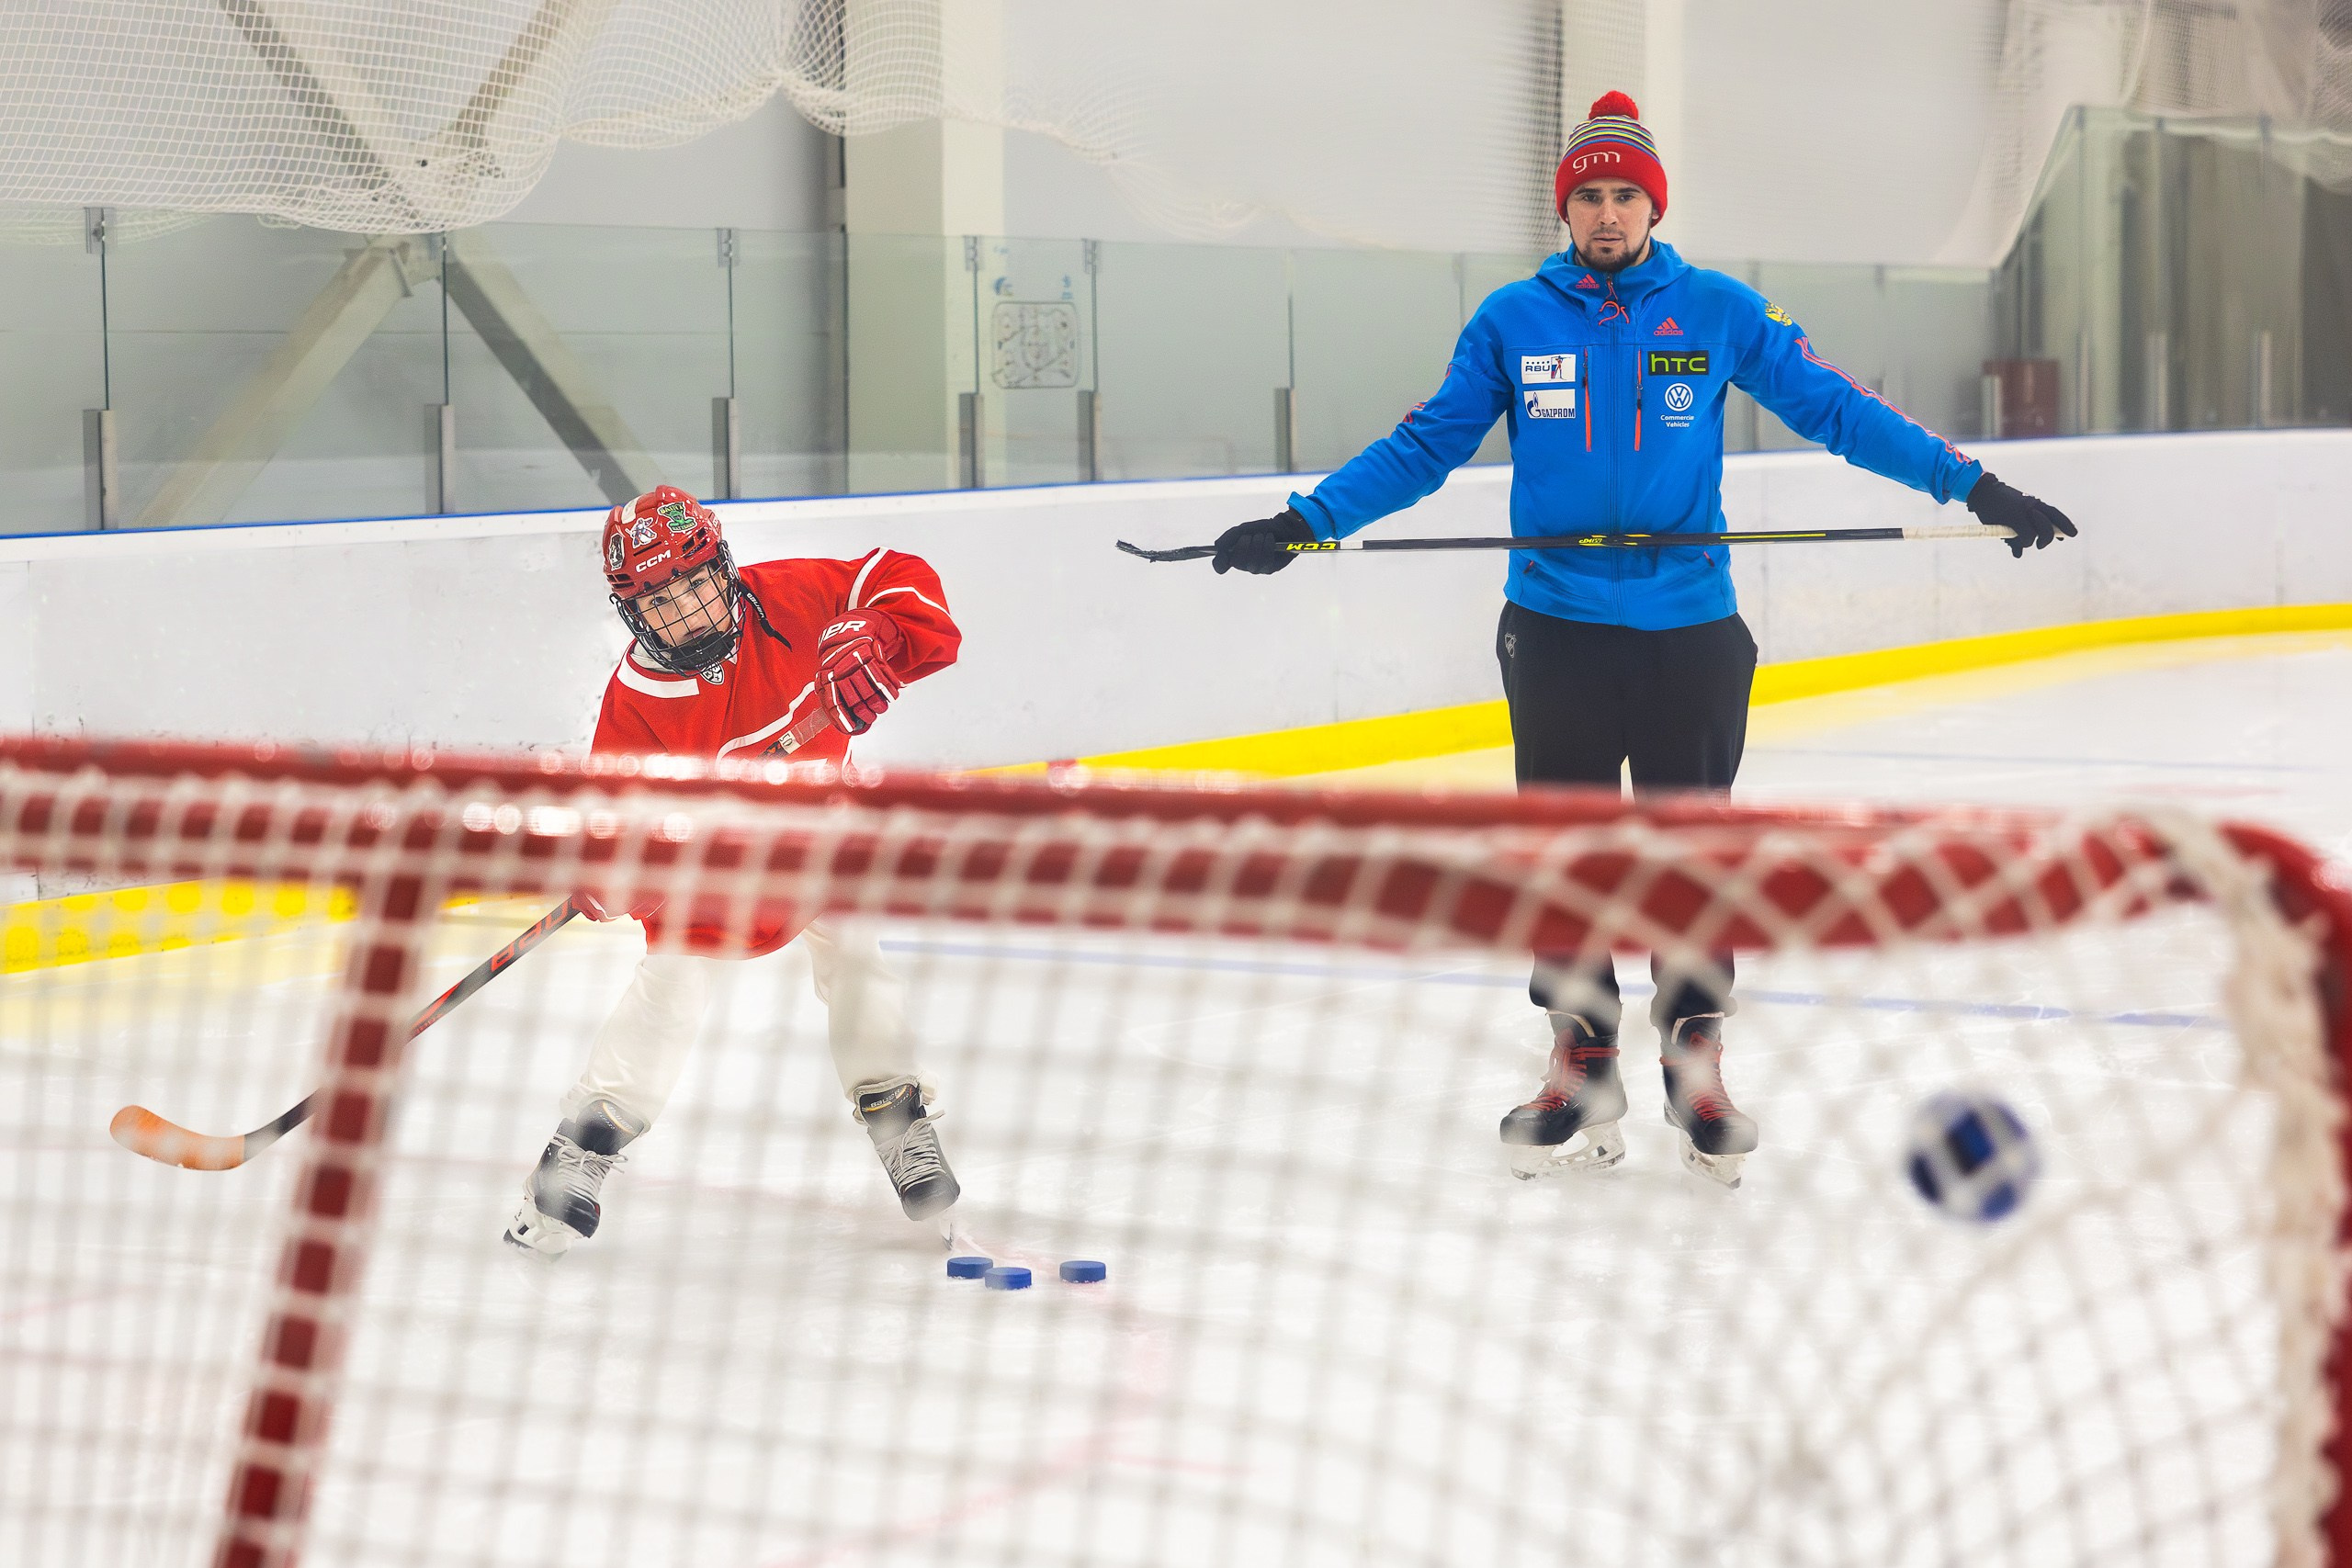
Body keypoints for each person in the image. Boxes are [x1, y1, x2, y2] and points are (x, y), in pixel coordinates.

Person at [1208, 92, 2077, 1190]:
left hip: (1690, 628)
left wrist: (1975, 487)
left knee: (1690, 852)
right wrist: (1308, 521)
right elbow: (1424, 445)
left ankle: (1694, 1058)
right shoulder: (1512, 321)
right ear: (1565, 211)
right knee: (1563, 856)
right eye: (1590, 197)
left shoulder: (1717, 310)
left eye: (1625, 195)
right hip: (1555, 626)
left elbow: (1838, 409)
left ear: (1653, 206)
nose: (1608, 213)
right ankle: (1580, 1058)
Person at [503, 486, 966, 1256]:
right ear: (631, 611)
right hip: (711, 882)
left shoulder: (796, 598)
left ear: (722, 565)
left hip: (817, 842)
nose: (684, 613)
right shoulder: (637, 700)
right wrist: (615, 871)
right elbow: (617, 827)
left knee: (857, 955)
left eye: (692, 584)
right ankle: (580, 1149)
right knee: (670, 989)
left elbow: (900, 577)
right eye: (657, 601)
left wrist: (879, 629)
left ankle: (900, 1122)